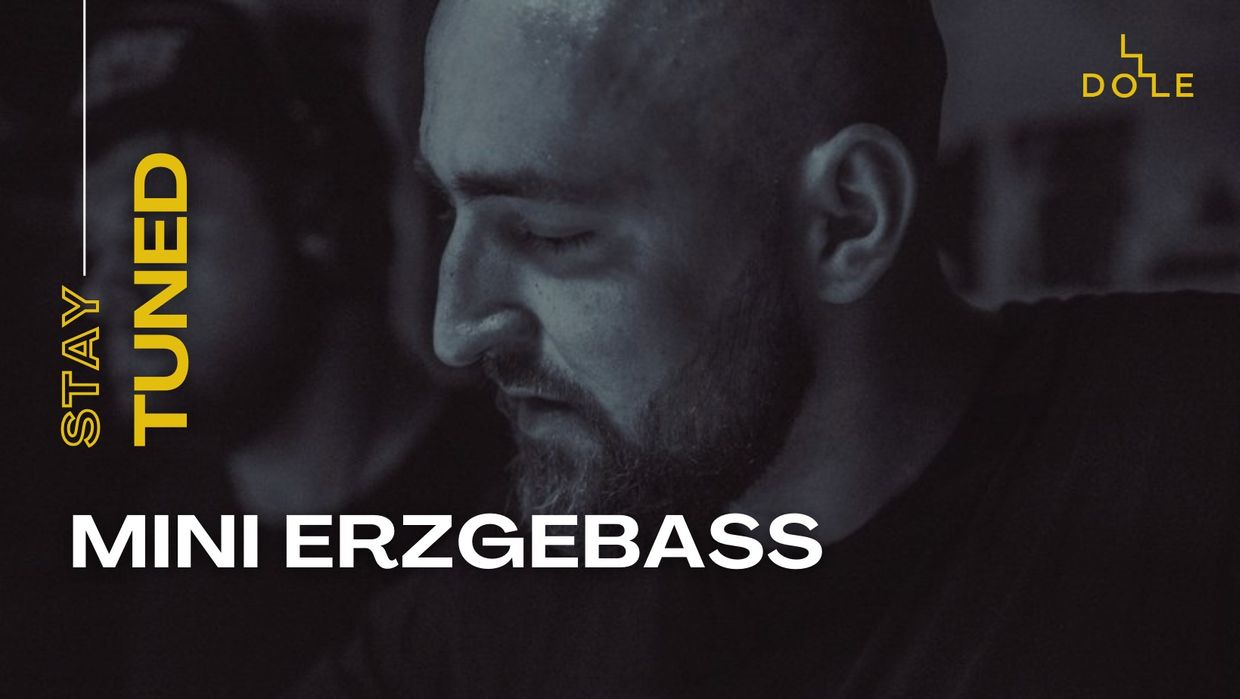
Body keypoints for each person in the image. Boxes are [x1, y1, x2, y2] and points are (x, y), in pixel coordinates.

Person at [294, 0, 1239, 696]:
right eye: (450, 211)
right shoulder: (515, 595)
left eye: (551, 233)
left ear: (847, 220)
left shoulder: (1189, 445)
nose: (453, 329)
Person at [82, 2, 509, 695]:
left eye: (154, 230)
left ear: (320, 212)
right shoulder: (152, 546)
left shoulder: (532, 511)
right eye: (96, 253)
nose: (103, 293)